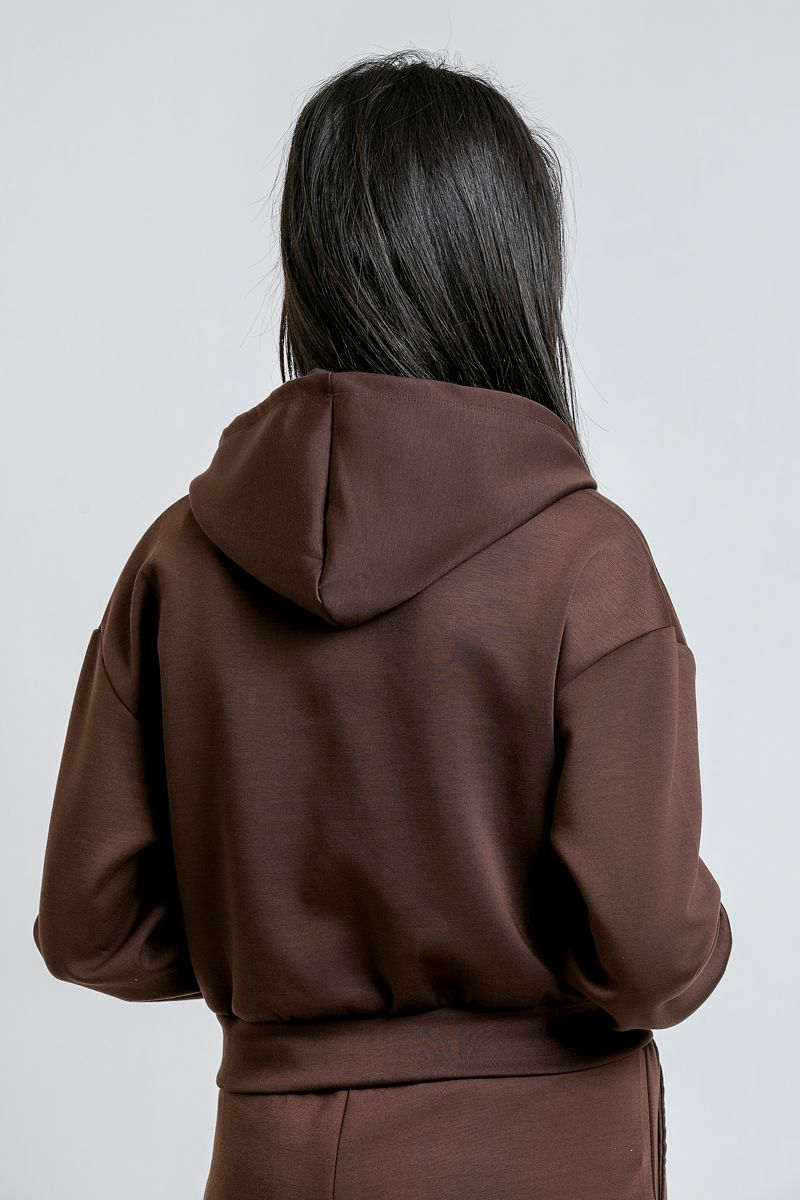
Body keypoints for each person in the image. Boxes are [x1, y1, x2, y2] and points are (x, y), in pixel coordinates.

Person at [32, 48, 732, 1200]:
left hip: (269, 1154)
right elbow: (650, 945)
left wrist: (282, 963)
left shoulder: (176, 562)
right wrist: (699, 940)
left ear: (309, 265)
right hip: (537, 1153)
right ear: (507, 269)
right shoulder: (582, 561)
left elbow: (89, 923)